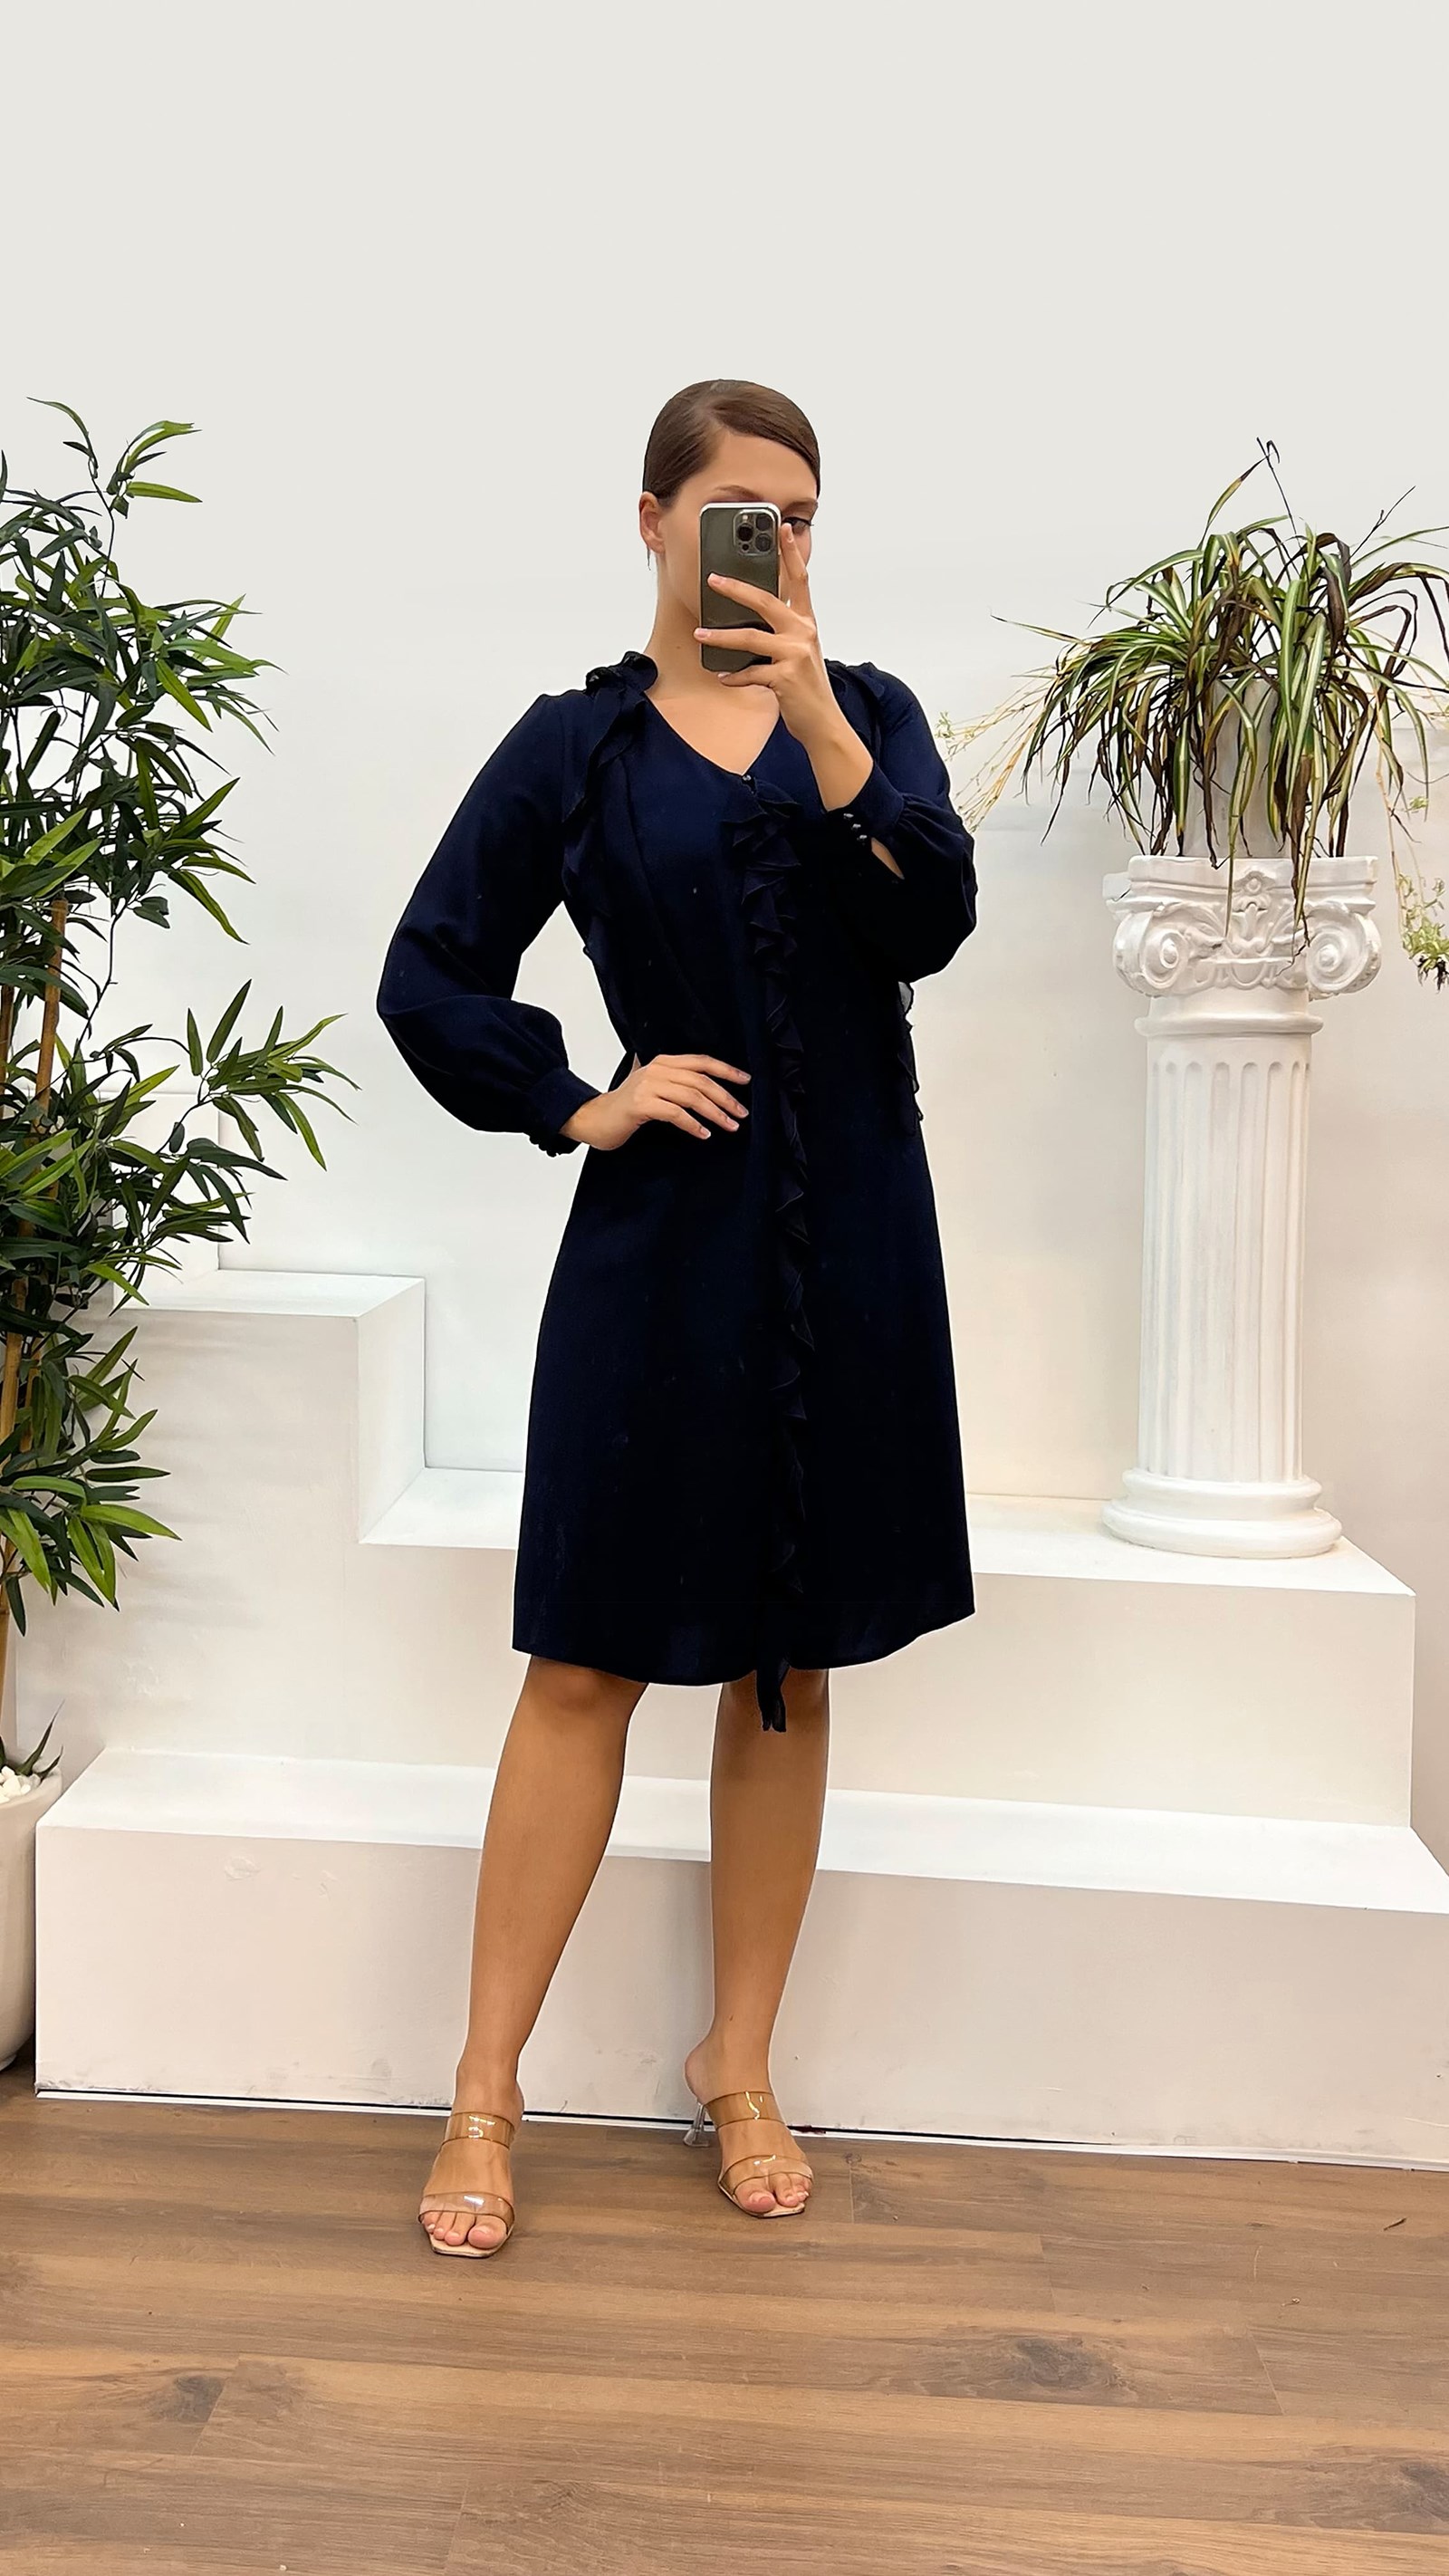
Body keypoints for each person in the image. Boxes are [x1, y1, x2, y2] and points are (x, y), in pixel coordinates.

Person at [377, 379, 977, 2256]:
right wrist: (577, 1099)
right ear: (654, 520)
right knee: (584, 1661)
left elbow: (931, 917)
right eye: (740, 509)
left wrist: (816, 718)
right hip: (663, 1245)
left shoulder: (866, 715)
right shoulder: (578, 744)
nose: (771, 541)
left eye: (799, 515)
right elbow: (427, 969)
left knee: (789, 1664)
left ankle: (739, 2060)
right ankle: (483, 2090)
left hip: (853, 1241)